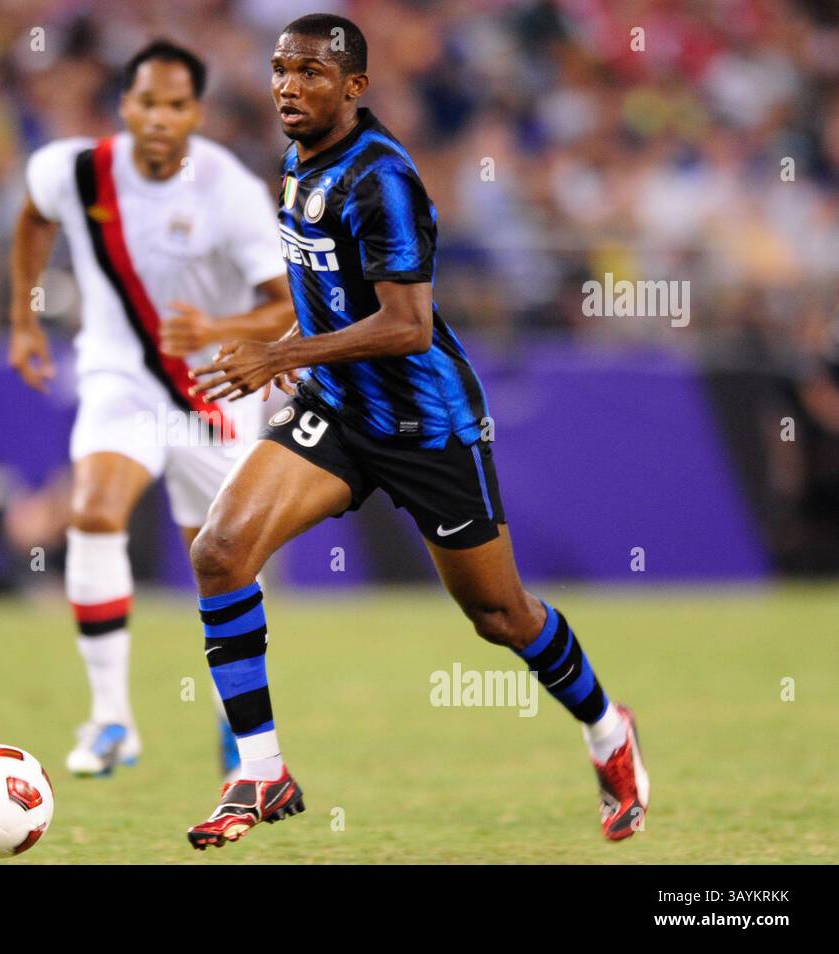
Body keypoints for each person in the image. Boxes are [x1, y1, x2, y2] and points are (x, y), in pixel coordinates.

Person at [183, 14, 649, 849]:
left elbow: (408, 325)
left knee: (500, 615)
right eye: (282, 69)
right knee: (219, 551)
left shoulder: (383, 179)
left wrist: (283, 351)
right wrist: (277, 345)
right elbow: (325, 284)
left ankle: (609, 730)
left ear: (355, 87)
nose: (290, 86)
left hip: (426, 424)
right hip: (337, 408)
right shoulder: (296, 162)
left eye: (312, 73)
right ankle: (260, 769)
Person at [9, 40, 294, 778]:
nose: (160, 118)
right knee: (95, 514)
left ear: (195, 113)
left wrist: (215, 332)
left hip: (213, 393)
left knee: (225, 562)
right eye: (147, 103)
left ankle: (238, 729)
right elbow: (33, 216)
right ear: (125, 107)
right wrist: (23, 317)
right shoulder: (74, 171)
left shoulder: (228, 189)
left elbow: (281, 307)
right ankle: (111, 722)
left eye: (176, 105)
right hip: (120, 380)